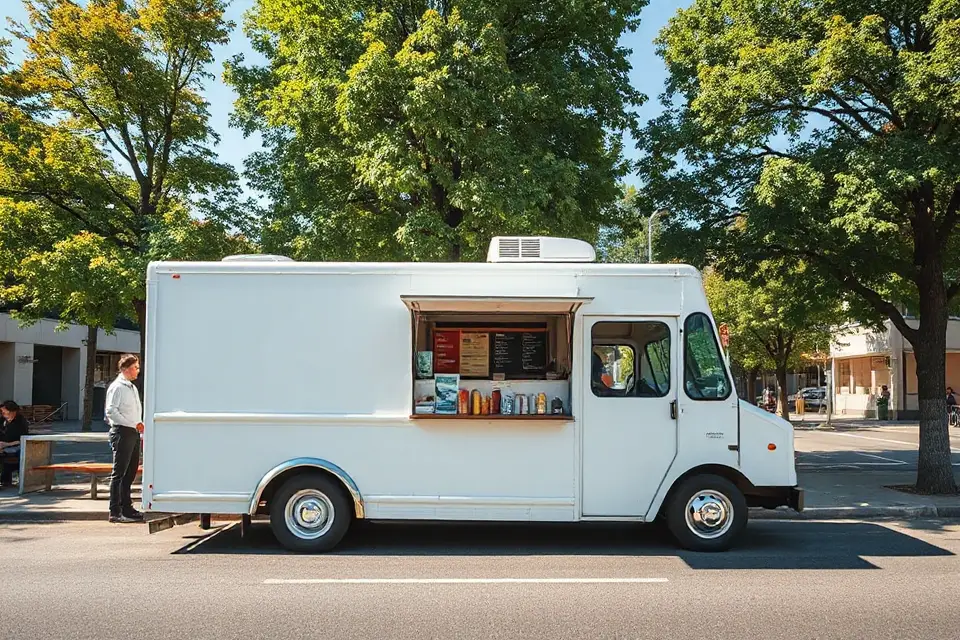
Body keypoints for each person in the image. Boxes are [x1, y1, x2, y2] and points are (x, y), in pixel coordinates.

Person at [104, 354, 144, 523]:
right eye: (135, 367)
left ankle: (127, 507)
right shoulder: (117, 387)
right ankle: (115, 510)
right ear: (126, 369)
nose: (138, 370)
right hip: (122, 432)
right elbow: (111, 412)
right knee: (119, 473)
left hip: (133, 432)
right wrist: (132, 424)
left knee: (130, 471)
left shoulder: (131, 387)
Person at [0, 400, 30, 488]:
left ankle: (8, 479)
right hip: (2, 445)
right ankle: (4, 480)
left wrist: (7, 444)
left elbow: (22, 439)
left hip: (15, 445)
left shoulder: (21, 422)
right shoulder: (2, 420)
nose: (3, 414)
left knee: (17, 452)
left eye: (5, 412)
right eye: (2, 412)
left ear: (13, 412)